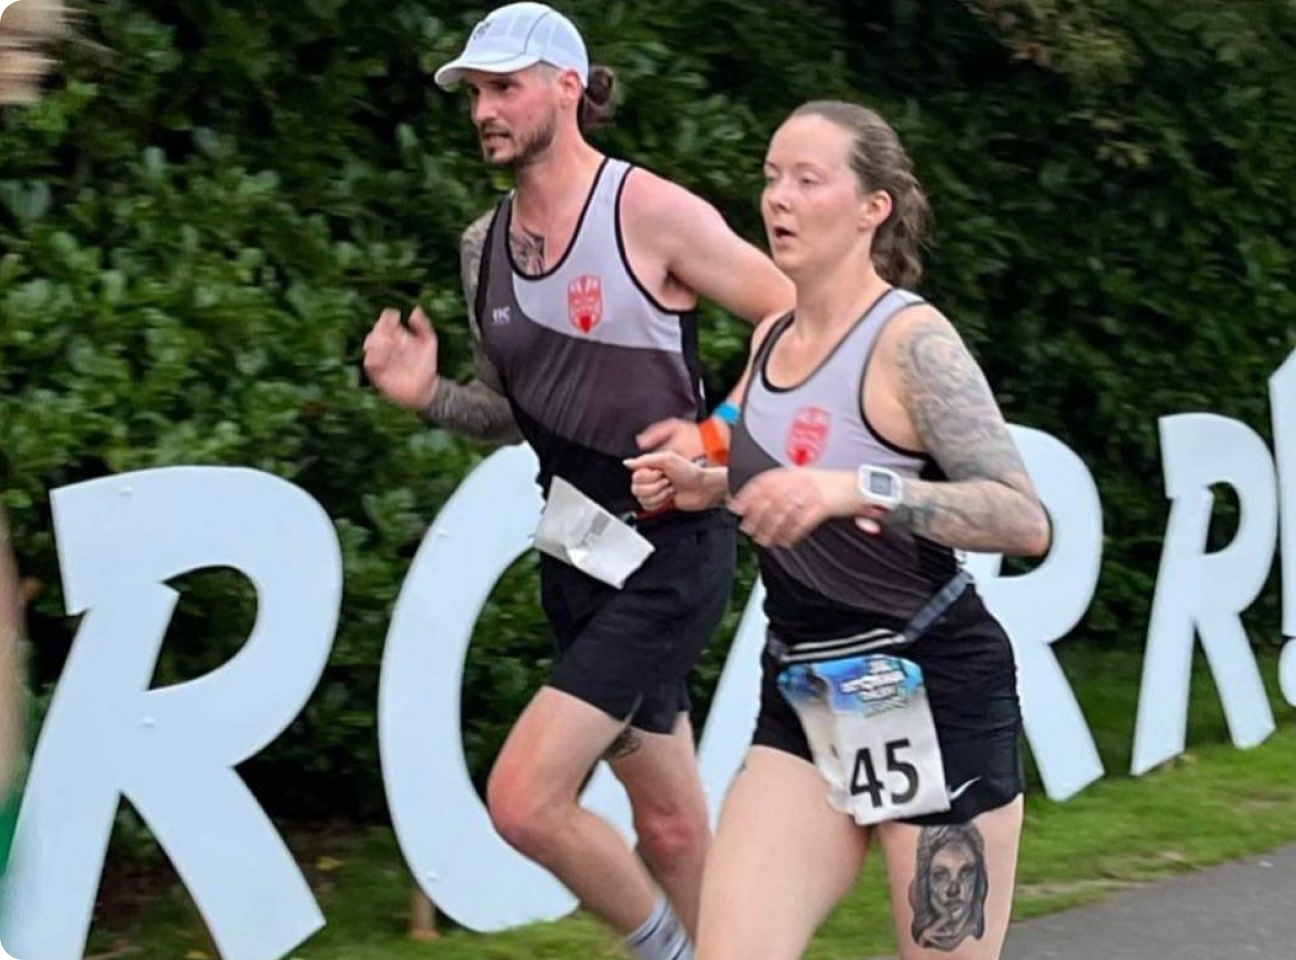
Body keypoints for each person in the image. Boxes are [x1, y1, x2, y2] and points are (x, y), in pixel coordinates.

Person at [361, 5, 792, 959]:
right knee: (672, 830)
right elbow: (513, 412)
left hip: (672, 551)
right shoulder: (486, 247)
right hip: (576, 556)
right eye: (473, 92)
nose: (483, 110)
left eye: (504, 87)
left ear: (568, 87)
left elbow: (794, 319)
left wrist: (717, 439)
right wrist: (425, 394)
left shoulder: (650, 211)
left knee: (523, 802)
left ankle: (664, 950)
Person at [627, 100, 1051, 960]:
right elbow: (775, 479)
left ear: (872, 208)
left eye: (807, 180)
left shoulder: (912, 341)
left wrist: (858, 487)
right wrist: (702, 485)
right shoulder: (771, 337)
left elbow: (1023, 518)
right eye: (771, 177)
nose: (778, 198)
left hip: (934, 685)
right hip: (810, 686)